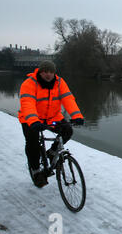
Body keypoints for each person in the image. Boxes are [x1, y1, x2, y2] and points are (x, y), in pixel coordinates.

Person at [18, 60, 84, 188]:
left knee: (67, 130)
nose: (48, 75)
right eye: (45, 72)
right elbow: (27, 104)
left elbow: (68, 99)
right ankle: (36, 171)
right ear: (40, 72)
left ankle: (52, 152)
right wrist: (34, 121)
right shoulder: (29, 84)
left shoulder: (59, 82)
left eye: (51, 72)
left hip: (51, 119)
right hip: (30, 119)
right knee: (33, 144)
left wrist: (77, 116)